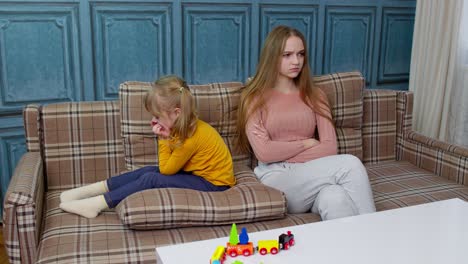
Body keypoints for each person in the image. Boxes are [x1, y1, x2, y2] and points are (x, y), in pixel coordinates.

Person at [236, 25, 375, 220]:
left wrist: (282, 151)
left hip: (313, 176)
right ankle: (376, 228)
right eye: (287, 55)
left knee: (335, 197)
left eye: (300, 54)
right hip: (277, 178)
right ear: (272, 57)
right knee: (350, 164)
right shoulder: (254, 98)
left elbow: (329, 148)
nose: (296, 61)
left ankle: (355, 248)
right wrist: (306, 143)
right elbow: (264, 153)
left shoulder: (315, 95)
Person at [60, 75, 236, 218]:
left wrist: (162, 139)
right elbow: (167, 166)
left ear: (177, 113)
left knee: (152, 178)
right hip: (198, 174)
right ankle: (85, 192)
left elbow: (166, 170)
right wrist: (167, 137)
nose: (154, 121)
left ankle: (97, 204)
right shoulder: (183, 126)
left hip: (214, 184)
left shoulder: (190, 138)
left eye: (157, 116)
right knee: (148, 170)